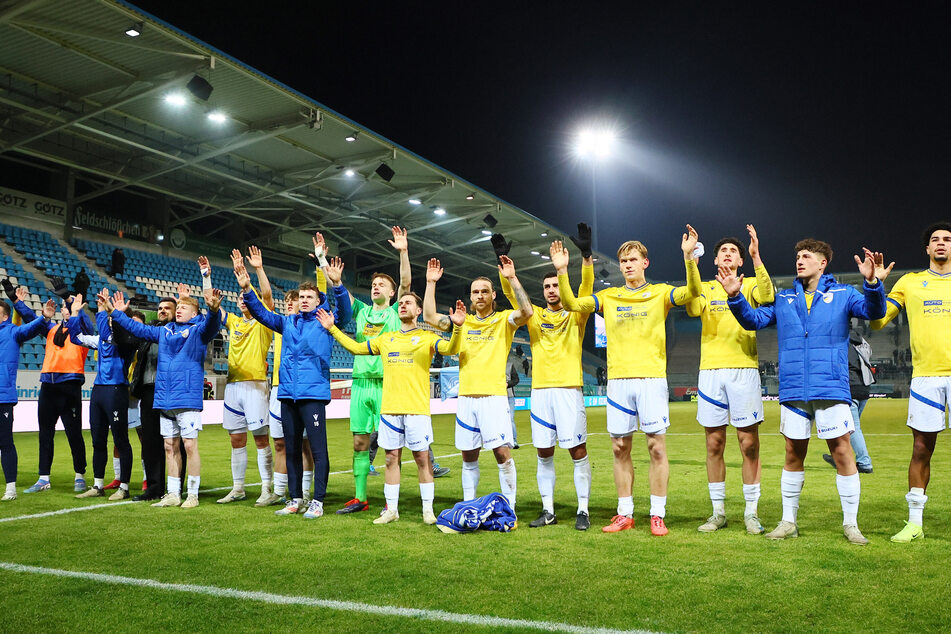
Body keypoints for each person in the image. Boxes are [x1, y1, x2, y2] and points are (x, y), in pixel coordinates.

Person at [723, 239, 889, 544]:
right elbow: (754, 320)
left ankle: (851, 524)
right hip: (795, 388)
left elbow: (874, 311)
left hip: (830, 386)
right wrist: (736, 298)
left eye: (807, 256)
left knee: (842, 451)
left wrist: (872, 282)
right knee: (792, 453)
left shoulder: (843, 294)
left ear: (822, 263)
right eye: (797, 255)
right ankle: (788, 521)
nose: (800, 260)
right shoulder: (785, 297)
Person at [558, 226, 702, 536]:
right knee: (619, 447)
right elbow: (571, 304)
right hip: (619, 382)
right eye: (623, 261)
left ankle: (657, 514)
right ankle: (625, 513)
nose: (627, 265)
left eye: (633, 259)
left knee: (656, 448)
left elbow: (691, 294)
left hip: (651, 379)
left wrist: (688, 257)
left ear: (645, 263)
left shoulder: (661, 292)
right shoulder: (609, 297)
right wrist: (561, 270)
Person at [318, 291, 457, 524]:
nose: (403, 306)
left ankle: (427, 511)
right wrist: (333, 329)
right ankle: (391, 510)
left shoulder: (427, 337)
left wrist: (459, 328)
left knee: (423, 459)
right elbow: (356, 348)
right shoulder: (386, 339)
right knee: (391, 459)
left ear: (418, 310)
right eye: (401, 303)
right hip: (390, 409)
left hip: (416, 409)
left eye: (408, 303)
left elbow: (452, 349)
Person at [235, 253, 352, 519]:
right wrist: (246, 288)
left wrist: (338, 286)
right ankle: (295, 498)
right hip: (288, 394)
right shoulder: (287, 322)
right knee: (291, 449)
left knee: (319, 451)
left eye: (309, 297)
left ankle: (318, 501)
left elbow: (345, 313)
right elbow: (262, 314)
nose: (304, 300)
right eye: (301, 298)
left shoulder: (326, 323)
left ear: (319, 301)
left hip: (312, 395)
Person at [496, 224, 596, 531]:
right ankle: (548, 509)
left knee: (577, 451)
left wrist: (585, 256)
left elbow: (585, 289)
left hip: (569, 389)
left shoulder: (576, 314)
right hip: (540, 392)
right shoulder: (535, 315)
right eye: (548, 287)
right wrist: (503, 264)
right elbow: (511, 294)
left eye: (555, 285)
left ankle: (583, 510)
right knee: (543, 453)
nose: (552, 290)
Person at [423, 254, 533, 508]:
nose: (480, 295)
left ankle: (510, 506)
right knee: (468, 456)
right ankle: (469, 504)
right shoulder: (463, 321)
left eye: (485, 291)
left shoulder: (504, 320)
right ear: (470, 297)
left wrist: (512, 278)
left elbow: (526, 311)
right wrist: (431, 283)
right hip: (467, 398)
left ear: (494, 295)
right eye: (475, 292)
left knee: (502, 454)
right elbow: (429, 316)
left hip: (494, 398)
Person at [685, 225, 774, 535]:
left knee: (748, 443)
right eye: (723, 251)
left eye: (733, 252)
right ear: (714, 260)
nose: (727, 254)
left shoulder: (749, 285)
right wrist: (689, 262)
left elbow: (769, 296)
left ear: (740, 261)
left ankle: (751, 512)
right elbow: (693, 306)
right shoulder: (706, 288)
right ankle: (718, 512)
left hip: (743, 369)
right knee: (714, 443)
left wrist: (756, 256)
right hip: (710, 372)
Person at [870, 221, 951, 543]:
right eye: (936, 240)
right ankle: (915, 522)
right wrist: (875, 286)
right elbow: (877, 322)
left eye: (947, 239)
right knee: (921, 448)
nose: (942, 243)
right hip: (926, 377)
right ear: (928, 249)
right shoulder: (910, 282)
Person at [107, 288, 223, 509]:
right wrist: (116, 313)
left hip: (187, 398)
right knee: (170, 446)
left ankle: (192, 494)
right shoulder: (164, 331)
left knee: (189, 445)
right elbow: (137, 328)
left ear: (194, 313)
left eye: (183, 308)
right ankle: (172, 493)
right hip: (164, 398)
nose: (179, 311)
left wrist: (214, 309)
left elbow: (212, 324)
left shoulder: (198, 331)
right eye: (178, 308)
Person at [335, 227, 411, 515]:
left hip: (387, 384)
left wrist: (403, 252)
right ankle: (360, 498)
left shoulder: (394, 313)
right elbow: (342, 297)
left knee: (393, 446)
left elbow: (406, 281)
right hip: (360, 383)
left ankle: (393, 500)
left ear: (392, 293)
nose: (376, 286)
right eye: (374, 284)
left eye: (382, 284)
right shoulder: (362, 312)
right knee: (359, 442)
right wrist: (335, 279)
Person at [201, 249, 276, 507]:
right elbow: (212, 306)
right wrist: (206, 277)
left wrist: (258, 269)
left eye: (247, 299)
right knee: (236, 438)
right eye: (242, 299)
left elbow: (266, 297)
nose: (244, 302)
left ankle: (268, 488)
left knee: (261, 437)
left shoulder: (264, 321)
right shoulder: (233, 321)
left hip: (255, 384)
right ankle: (239, 488)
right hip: (233, 386)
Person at [17, 291, 93, 494]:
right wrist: (17, 302)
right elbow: (33, 321)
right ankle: (43, 478)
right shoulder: (51, 329)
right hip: (48, 387)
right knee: (45, 434)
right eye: (65, 308)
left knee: (74, 434)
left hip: (70, 386)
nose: (67, 311)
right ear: (60, 311)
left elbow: (87, 324)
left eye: (70, 308)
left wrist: (71, 301)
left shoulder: (81, 333)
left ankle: (80, 475)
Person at [67, 292, 134, 501]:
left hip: (116, 390)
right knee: (97, 440)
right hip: (99, 392)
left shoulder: (127, 341)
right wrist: (75, 314)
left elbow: (107, 331)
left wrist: (106, 312)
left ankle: (124, 487)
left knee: (120, 439)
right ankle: (97, 485)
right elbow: (75, 337)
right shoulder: (101, 341)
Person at [0, 296, 56, 500]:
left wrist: (44, 318)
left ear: (5, 316)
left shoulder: (13, 332)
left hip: (3, 397)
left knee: (4, 442)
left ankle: (10, 489)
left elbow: (29, 329)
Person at [126, 297, 177, 501]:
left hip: (171, 390)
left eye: (167, 308)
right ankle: (154, 488)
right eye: (159, 308)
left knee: (174, 441)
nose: (162, 311)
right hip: (148, 390)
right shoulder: (149, 331)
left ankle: (175, 487)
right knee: (149, 442)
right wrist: (118, 314)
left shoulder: (180, 331)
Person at [822, 324, 875, 475]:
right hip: (864, 386)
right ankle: (840, 457)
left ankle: (864, 462)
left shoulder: (840, 341)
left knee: (852, 428)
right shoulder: (861, 340)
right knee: (847, 426)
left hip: (849, 387)